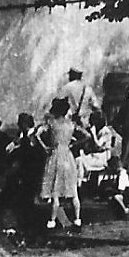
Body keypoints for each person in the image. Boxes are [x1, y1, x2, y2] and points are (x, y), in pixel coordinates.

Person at [36, 97, 82, 231]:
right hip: (68, 156)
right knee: (73, 191)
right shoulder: (71, 124)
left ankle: (52, 220)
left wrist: (44, 146)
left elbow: (37, 134)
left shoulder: (51, 123)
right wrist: (73, 144)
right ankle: (78, 219)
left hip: (55, 155)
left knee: (55, 191)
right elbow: (87, 135)